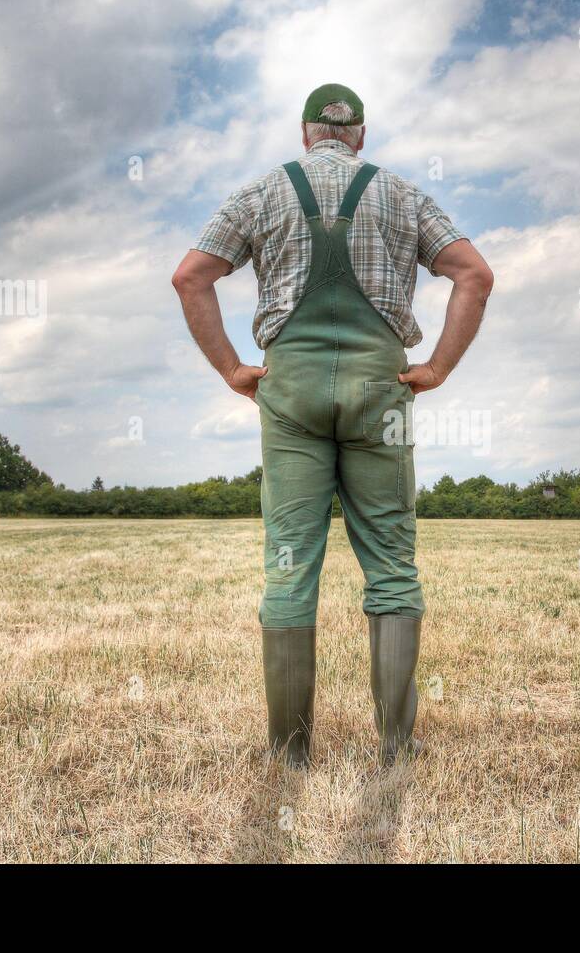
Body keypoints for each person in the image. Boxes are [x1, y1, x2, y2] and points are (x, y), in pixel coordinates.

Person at [172, 83, 493, 765]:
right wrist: (436, 366)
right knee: (392, 566)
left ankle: (291, 753)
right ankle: (395, 748)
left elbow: (190, 277)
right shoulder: (403, 195)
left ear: (305, 132)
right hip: (381, 388)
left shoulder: (260, 193)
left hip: (289, 390)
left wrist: (234, 369)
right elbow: (474, 274)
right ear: (361, 136)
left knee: (289, 567)